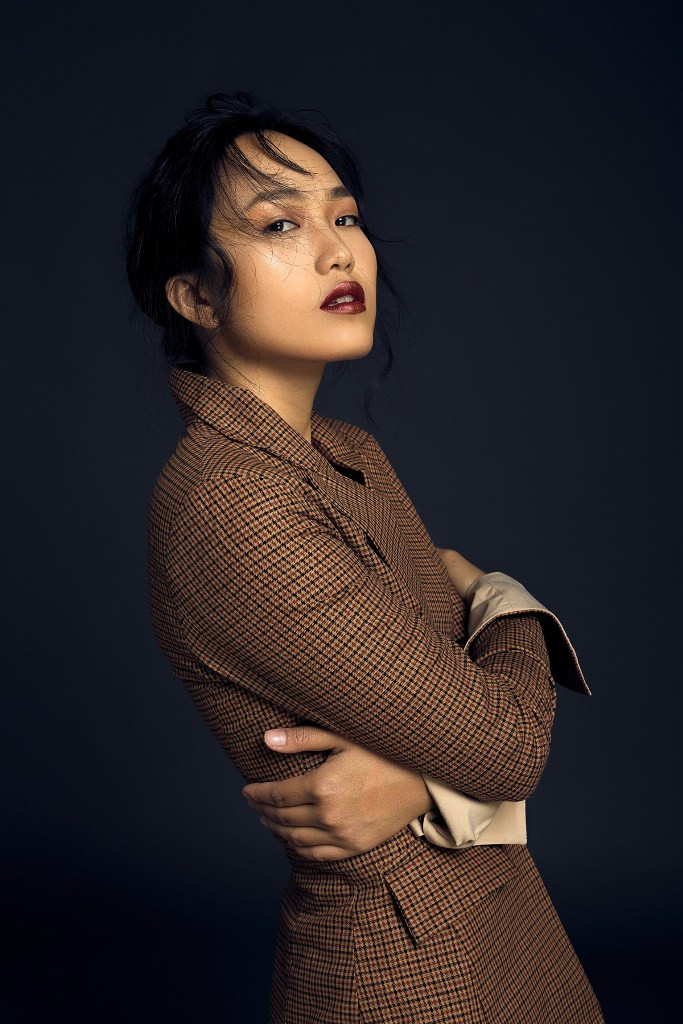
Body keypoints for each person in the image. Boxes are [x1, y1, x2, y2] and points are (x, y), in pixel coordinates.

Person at [124, 89, 605, 1023]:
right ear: (196, 295)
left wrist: (418, 784)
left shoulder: (345, 453)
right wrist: (500, 595)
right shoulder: (232, 503)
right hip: (404, 963)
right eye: (281, 224)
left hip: (497, 920)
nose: (339, 250)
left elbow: (453, 715)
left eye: (344, 216)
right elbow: (506, 746)